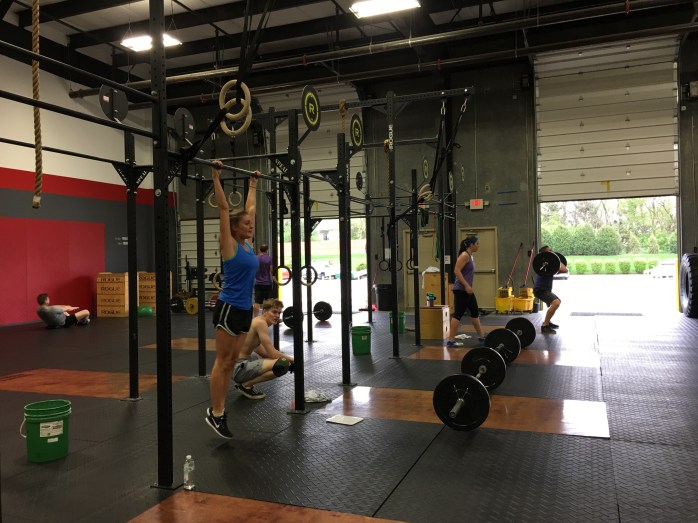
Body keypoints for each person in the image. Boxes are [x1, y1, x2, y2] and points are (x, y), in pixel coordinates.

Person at [205, 160, 261, 439]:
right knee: (223, 361)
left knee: (233, 362)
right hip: (228, 308)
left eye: (251, 224)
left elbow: (250, 208)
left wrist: (253, 184)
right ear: (235, 228)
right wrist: (216, 177)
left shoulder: (248, 245)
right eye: (247, 224)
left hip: (244, 310)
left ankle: (220, 408)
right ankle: (216, 413)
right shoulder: (229, 245)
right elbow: (224, 209)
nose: (251, 226)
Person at [233, 298, 294, 399]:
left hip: (237, 365)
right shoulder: (261, 323)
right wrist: (292, 360)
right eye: (274, 312)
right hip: (237, 369)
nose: (277, 316)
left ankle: (245, 384)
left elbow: (261, 351)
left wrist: (283, 357)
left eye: (279, 313)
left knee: (277, 360)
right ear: (265, 311)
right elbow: (273, 354)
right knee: (282, 364)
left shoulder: (258, 321)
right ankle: (246, 386)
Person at [447, 236, 486, 347]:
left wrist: (468, 287)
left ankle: (481, 337)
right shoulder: (464, 255)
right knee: (458, 315)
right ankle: (450, 340)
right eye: (477, 243)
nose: (478, 245)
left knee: (475, 312)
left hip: (467, 290)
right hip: (461, 289)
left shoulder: (470, 256)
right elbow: (456, 271)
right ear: (471, 245)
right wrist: (466, 285)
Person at [533, 245, 568, 334]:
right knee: (556, 303)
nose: (553, 252)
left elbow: (564, 270)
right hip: (540, 290)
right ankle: (545, 326)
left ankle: (548, 322)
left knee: (556, 302)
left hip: (545, 289)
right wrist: (556, 259)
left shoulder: (551, 265)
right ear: (545, 254)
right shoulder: (543, 265)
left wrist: (556, 259)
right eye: (550, 251)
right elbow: (564, 269)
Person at [253, 244, 274, 317]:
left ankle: (256, 318)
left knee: (257, 302)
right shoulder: (269, 258)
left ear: (260, 249)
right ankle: (266, 317)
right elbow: (271, 270)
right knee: (268, 302)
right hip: (267, 283)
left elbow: (254, 268)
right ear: (267, 250)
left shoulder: (256, 258)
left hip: (258, 283)